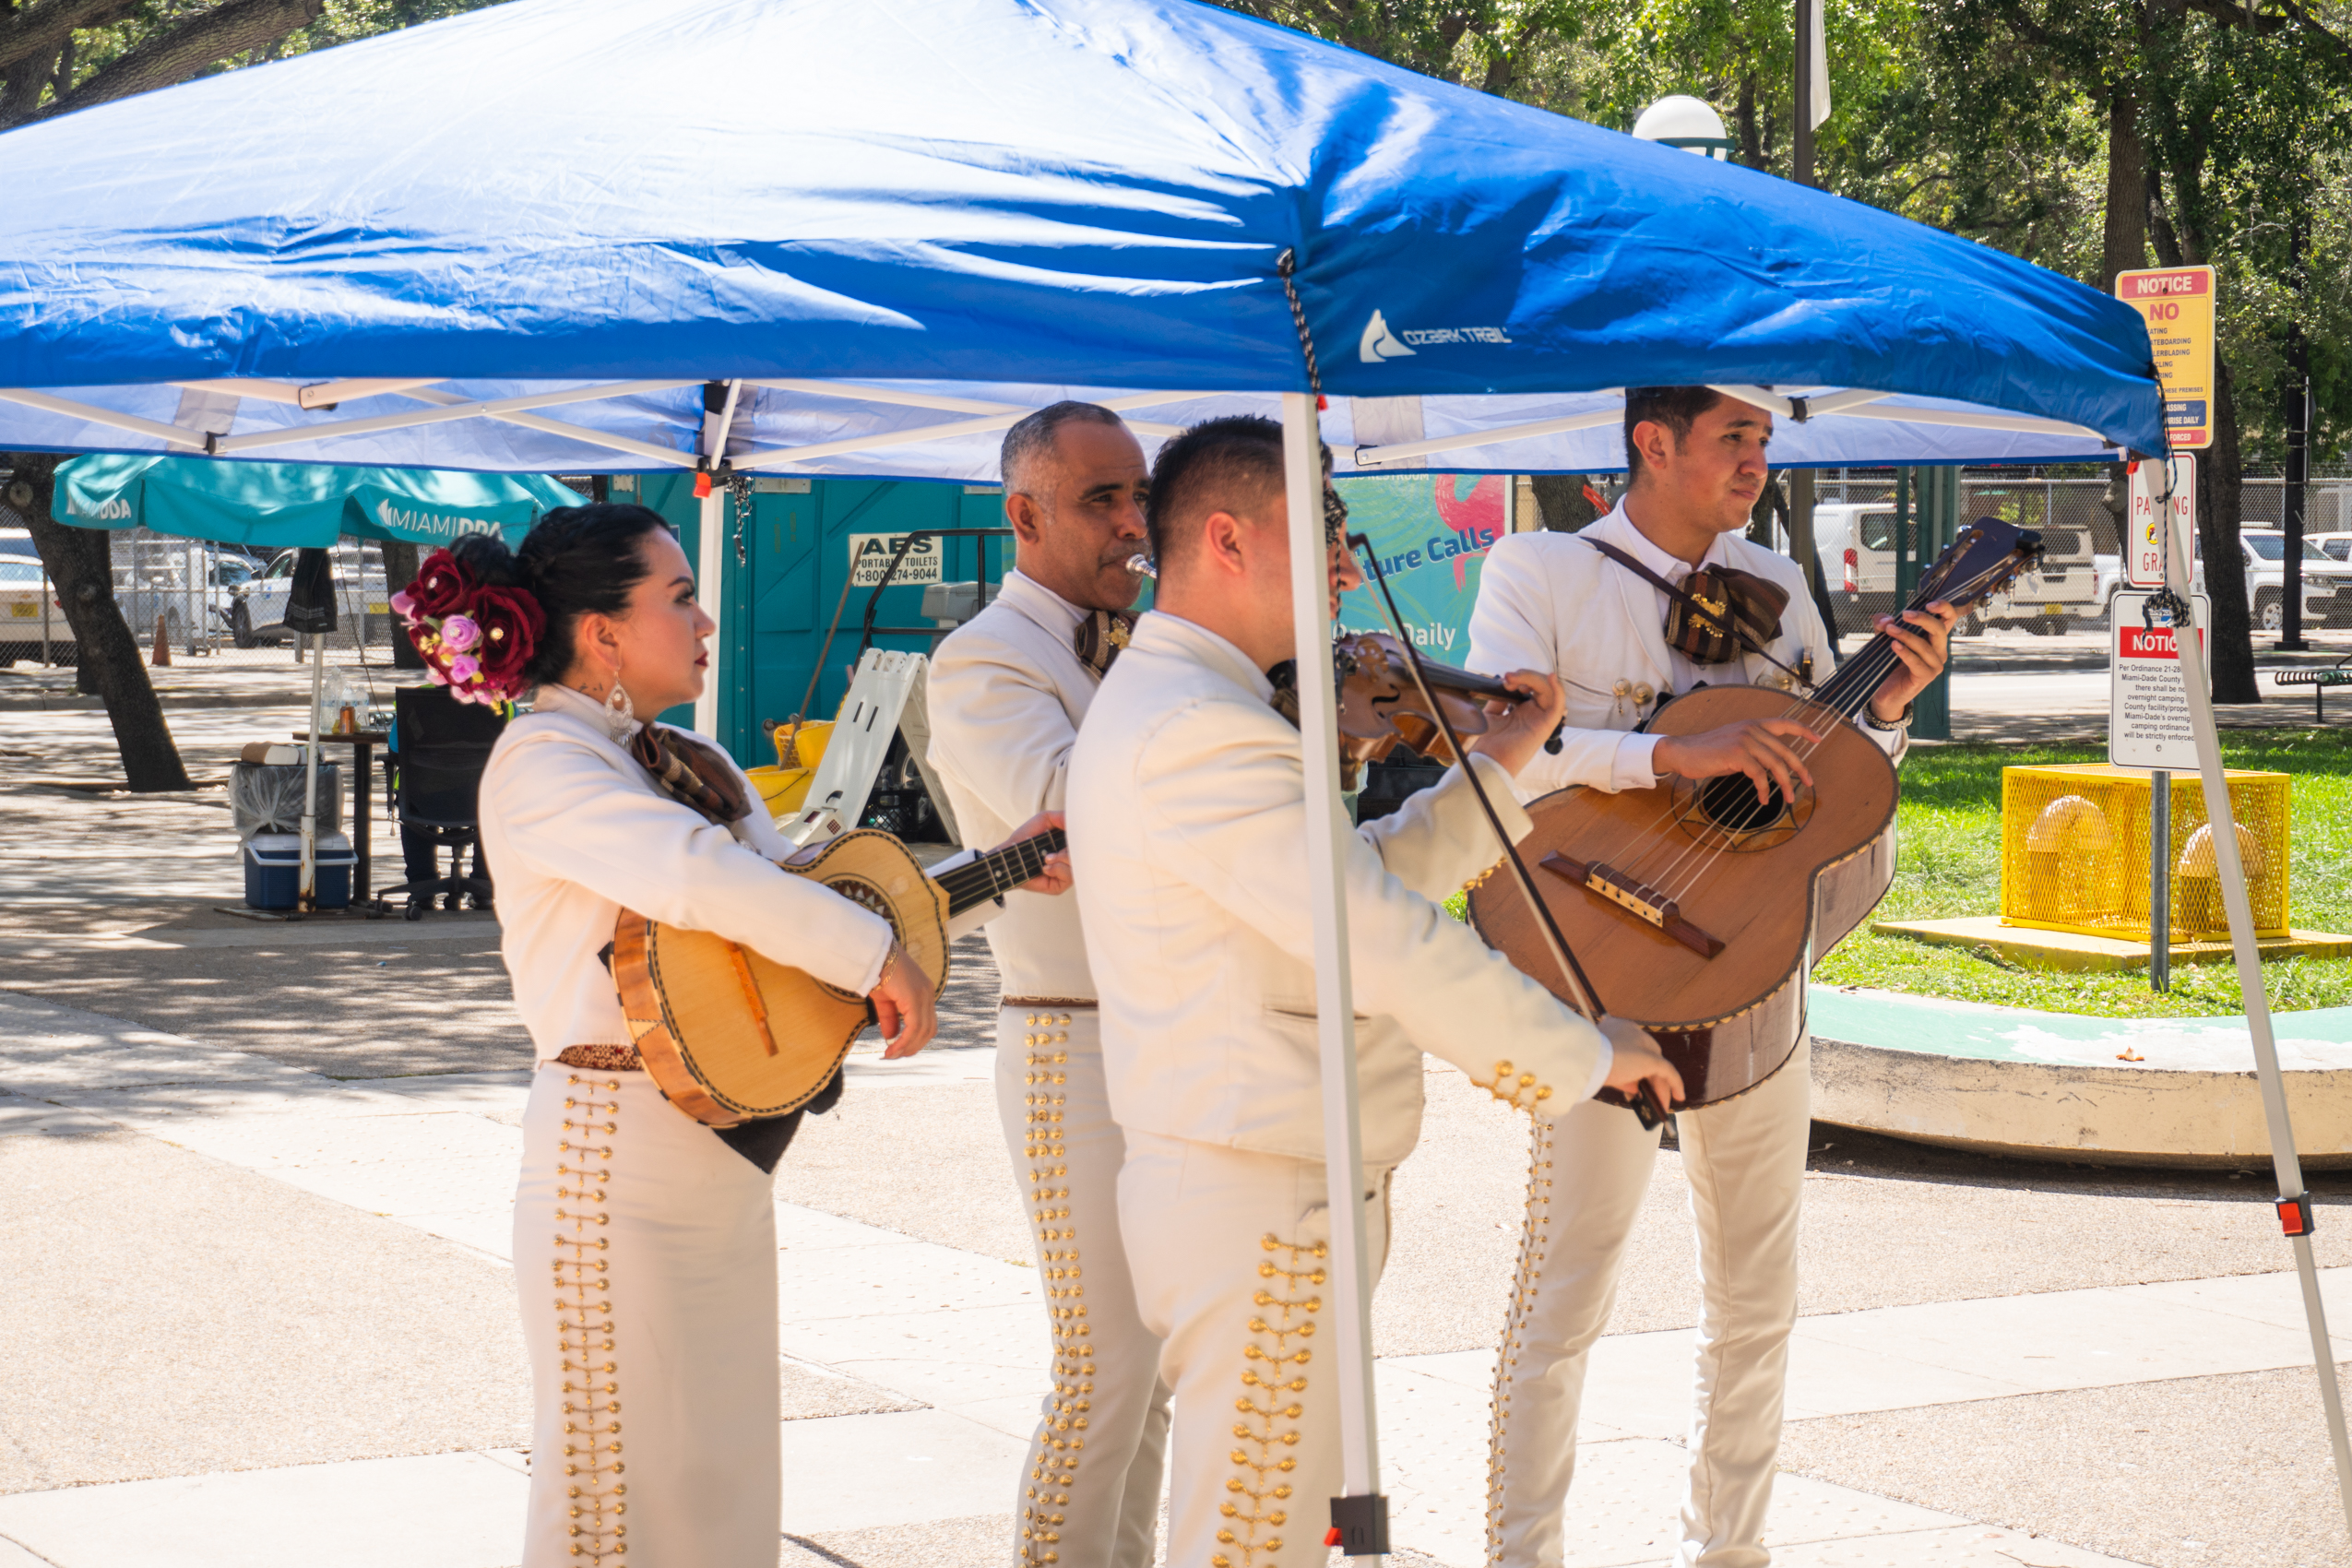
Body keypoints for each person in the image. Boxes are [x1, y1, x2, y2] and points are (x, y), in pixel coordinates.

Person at [1066, 415, 1685, 1568]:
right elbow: (1377, 935)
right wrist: (1585, 1056)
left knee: (1285, 1523)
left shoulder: (1205, 706)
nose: (1348, 568)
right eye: (1324, 532)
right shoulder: (1200, 727)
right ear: (1227, 539)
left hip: (1273, 1180)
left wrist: (1496, 762)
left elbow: (1354, 881)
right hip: (1259, 1191)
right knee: (1255, 1539)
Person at [440, 504, 1066, 1568]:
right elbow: (701, 878)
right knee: (614, 1498)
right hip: (615, 1171)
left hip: (718, 1169)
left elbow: (806, 908)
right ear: (602, 632)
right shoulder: (544, 762)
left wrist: (993, 869)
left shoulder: (684, 757)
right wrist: (875, 956)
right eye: (680, 597)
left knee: (718, 1494)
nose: (706, 621)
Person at [1466, 386, 1955, 1568]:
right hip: (1596, 968)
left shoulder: (1777, 584)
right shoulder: (1539, 570)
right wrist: (1666, 755)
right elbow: (1495, 757)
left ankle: (1729, 1549)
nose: (1757, 458)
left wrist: (1886, 712)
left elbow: (1825, 780)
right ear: (1653, 441)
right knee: (1565, 1293)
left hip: (1750, 973)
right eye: (1734, 435)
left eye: (1764, 439)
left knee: (1756, 1301)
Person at [923, 400, 1171, 1568]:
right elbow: (1089, 814)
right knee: (1104, 1367)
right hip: (1072, 1040)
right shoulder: (981, 658)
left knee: (1159, 1368)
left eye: (1140, 496)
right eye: (1101, 499)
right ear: (1023, 516)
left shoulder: (1148, 644)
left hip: (1174, 1032)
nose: (1133, 523)